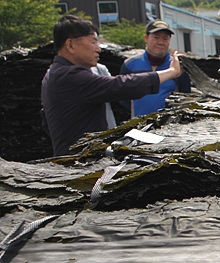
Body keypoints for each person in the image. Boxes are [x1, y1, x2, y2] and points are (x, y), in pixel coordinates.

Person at [41, 15, 183, 157]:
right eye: (93, 42)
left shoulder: (57, 73)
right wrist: (171, 72)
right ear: (70, 45)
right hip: (77, 162)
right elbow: (120, 86)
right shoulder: (69, 77)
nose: (98, 49)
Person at [119, 19, 191, 116]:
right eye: (156, 37)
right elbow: (122, 96)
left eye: (165, 38)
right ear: (146, 38)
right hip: (138, 125)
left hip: (169, 125)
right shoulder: (130, 64)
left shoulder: (178, 66)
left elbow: (186, 97)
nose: (160, 42)